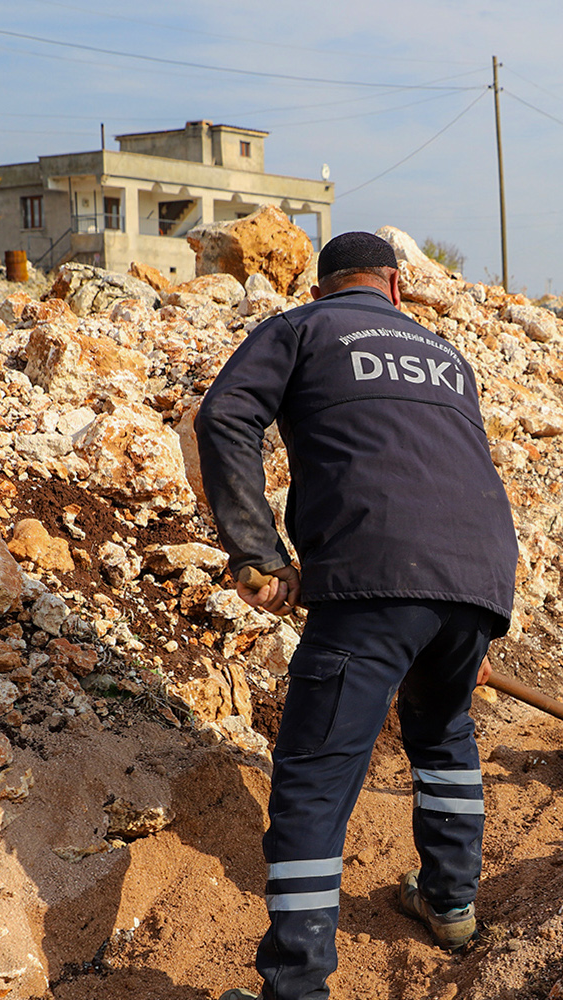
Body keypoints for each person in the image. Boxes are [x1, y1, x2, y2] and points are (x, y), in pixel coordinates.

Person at [195, 231, 519, 1000]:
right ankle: (451, 904)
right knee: (442, 730)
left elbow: (224, 417)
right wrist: (461, 608)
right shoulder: (445, 354)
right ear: (397, 288)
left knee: (315, 775)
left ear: (321, 291)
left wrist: (257, 552)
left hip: (373, 577)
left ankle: (296, 987)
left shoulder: (303, 328)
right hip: (480, 576)